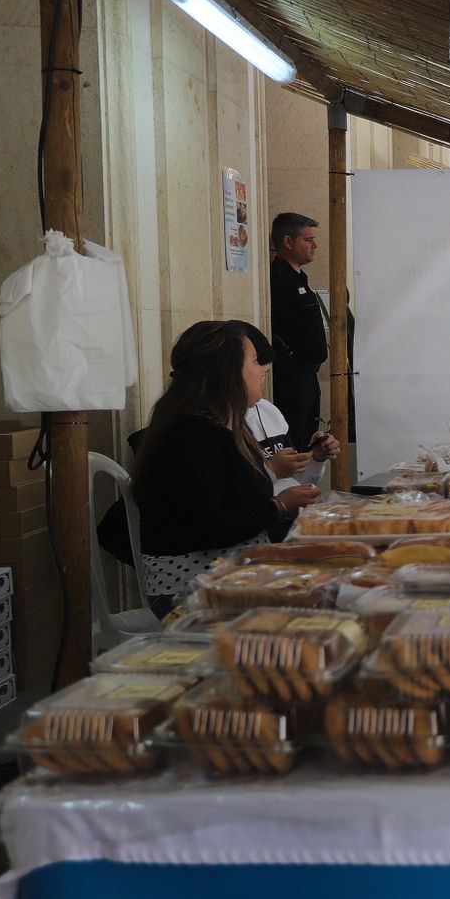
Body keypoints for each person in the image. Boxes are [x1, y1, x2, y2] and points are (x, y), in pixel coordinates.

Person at [133, 321, 321, 616]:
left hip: (235, 574)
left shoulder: (223, 425)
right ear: (226, 372)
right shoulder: (191, 435)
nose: (263, 371)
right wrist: (279, 507)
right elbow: (209, 526)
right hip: (194, 590)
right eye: (255, 362)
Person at [237, 323, 341, 540]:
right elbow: (229, 500)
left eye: (265, 372)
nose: (263, 379)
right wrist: (272, 469)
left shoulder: (269, 411)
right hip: (258, 530)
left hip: (289, 522)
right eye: (257, 366)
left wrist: (316, 459)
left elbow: (297, 481)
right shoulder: (219, 426)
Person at [269, 212, 328, 450]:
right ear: (288, 242)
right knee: (295, 440)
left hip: (308, 375)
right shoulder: (280, 279)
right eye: (308, 239)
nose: (315, 245)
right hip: (292, 378)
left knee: (309, 438)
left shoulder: (300, 278)